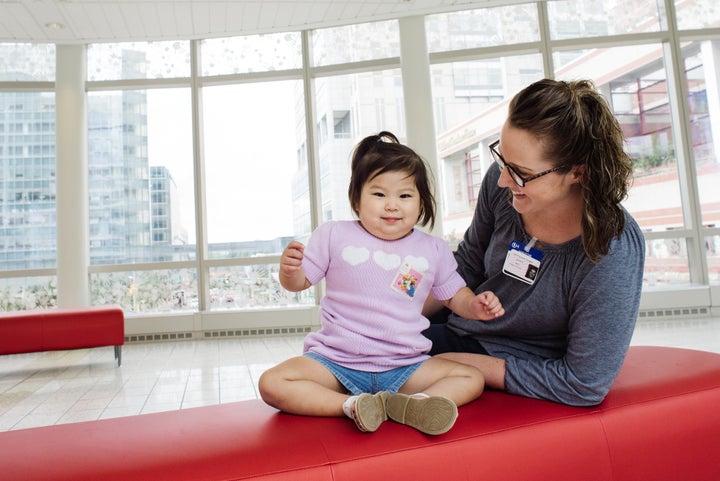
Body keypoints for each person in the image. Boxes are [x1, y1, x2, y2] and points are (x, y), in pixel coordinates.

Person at [259, 131, 504, 435]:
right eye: (379, 194)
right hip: (336, 361)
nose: (392, 205)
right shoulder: (333, 234)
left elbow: (454, 295)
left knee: (471, 378)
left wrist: (475, 307)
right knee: (271, 382)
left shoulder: (432, 249)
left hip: (404, 365)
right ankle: (352, 406)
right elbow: (299, 282)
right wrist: (289, 271)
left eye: (404, 195)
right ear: (356, 199)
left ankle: (413, 404)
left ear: (421, 202)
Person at [423, 78, 645, 407]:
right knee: (352, 344)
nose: (502, 180)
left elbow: (584, 383)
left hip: (502, 353)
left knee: (365, 364)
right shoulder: (503, 186)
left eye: (520, 172)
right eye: (502, 160)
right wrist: (391, 315)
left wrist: (453, 363)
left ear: (577, 173)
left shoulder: (609, 249)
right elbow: (466, 266)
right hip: (463, 319)